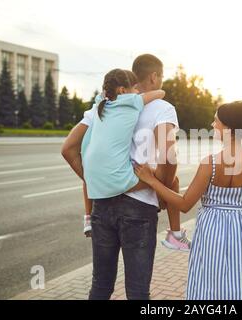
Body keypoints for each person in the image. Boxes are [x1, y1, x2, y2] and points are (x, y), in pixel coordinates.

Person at [61, 54, 187, 300]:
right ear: (154, 76)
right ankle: (177, 235)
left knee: (100, 286)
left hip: (102, 205)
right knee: (138, 292)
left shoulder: (101, 107)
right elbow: (169, 157)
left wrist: (95, 181)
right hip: (139, 207)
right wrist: (160, 186)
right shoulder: (162, 108)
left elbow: (68, 149)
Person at [134, 101, 242, 300]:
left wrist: (151, 180)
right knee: (239, 287)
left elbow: (185, 204)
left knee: (206, 288)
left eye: (216, 121)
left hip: (210, 232)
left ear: (229, 128)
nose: (213, 125)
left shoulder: (210, 164)